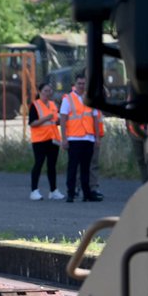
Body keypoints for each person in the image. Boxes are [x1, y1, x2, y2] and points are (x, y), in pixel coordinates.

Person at [60, 73, 104, 202]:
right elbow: (63, 119)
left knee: (86, 168)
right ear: (75, 84)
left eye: (83, 84)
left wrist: (97, 138)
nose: (81, 86)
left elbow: (95, 119)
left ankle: (86, 193)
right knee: (73, 168)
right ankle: (71, 193)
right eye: (79, 83)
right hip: (74, 138)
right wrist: (64, 138)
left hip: (88, 138)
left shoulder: (91, 98)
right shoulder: (68, 99)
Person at [27, 82, 65, 200]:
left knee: (52, 165)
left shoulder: (53, 105)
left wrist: (59, 121)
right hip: (40, 140)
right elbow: (32, 123)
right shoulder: (35, 105)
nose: (48, 93)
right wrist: (45, 118)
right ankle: (34, 191)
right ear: (40, 92)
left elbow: (55, 121)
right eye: (45, 91)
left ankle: (53, 190)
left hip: (53, 139)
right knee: (38, 164)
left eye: (50, 91)